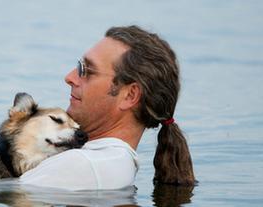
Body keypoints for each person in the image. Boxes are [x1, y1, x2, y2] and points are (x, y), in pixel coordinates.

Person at [20, 25, 196, 190]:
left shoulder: (84, 165)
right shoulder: (112, 162)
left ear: (130, 95)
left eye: (87, 70)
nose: (70, 77)